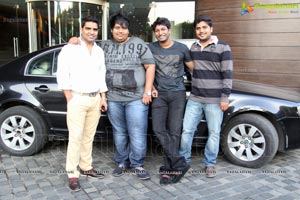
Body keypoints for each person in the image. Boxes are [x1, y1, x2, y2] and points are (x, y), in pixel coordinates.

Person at [100, 13, 155, 180]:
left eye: (124, 28)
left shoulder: (138, 44)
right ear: (111, 29)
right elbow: (85, 48)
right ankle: (121, 162)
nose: (121, 31)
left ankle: (137, 165)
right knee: (119, 132)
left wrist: (147, 91)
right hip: (113, 98)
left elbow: (150, 66)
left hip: (136, 98)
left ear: (128, 30)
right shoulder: (103, 46)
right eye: (117, 27)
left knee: (137, 132)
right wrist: (75, 40)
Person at [56, 16, 108, 191]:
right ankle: (72, 173)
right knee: (75, 137)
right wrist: (70, 97)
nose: (92, 32)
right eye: (88, 29)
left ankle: (86, 167)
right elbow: (62, 74)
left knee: (89, 136)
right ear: (81, 29)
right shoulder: (70, 49)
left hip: (95, 99)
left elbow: (102, 75)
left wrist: (103, 97)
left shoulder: (99, 51)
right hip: (77, 98)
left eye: (95, 29)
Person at [179, 15, 233, 178]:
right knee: (187, 131)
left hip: (215, 100)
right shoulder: (193, 47)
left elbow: (228, 73)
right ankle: (183, 161)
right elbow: (190, 70)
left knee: (214, 132)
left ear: (211, 29)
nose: (201, 31)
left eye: (204, 27)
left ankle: (210, 164)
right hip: (195, 98)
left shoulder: (223, 47)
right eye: (198, 28)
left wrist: (225, 97)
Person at [148, 17, 193, 185]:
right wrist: (76, 40)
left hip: (177, 94)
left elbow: (194, 68)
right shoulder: (150, 47)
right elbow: (143, 67)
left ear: (169, 30)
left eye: (163, 30)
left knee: (174, 132)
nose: (160, 33)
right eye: (157, 31)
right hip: (159, 94)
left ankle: (169, 168)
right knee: (158, 129)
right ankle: (180, 162)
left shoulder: (182, 48)